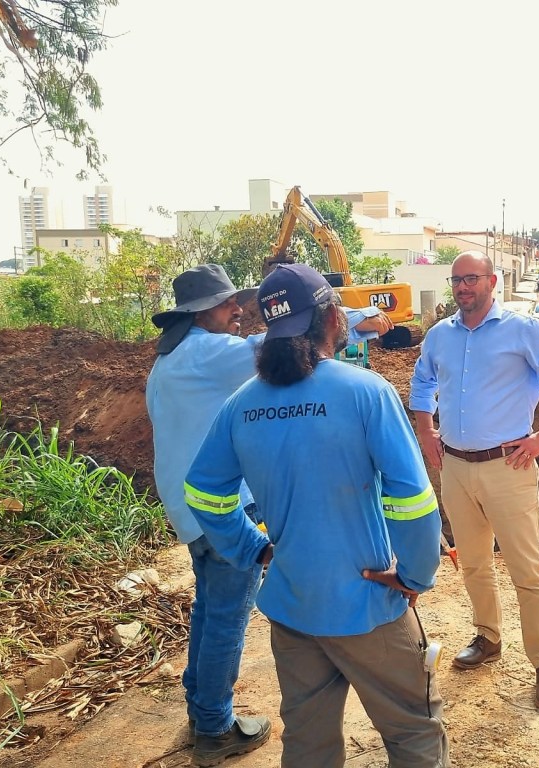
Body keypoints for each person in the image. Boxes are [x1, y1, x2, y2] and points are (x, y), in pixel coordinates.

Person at [183, 263, 449, 768]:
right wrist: (415, 575)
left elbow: (203, 493)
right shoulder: (366, 392)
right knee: (413, 731)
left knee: (308, 744)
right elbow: (412, 499)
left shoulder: (242, 404)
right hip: (368, 605)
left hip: (293, 609)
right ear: (330, 318)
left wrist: (252, 548)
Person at [408, 250, 539, 711]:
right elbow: (422, 382)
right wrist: (426, 431)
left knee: (527, 571)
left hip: (509, 468)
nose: (463, 287)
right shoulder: (439, 336)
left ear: (492, 281)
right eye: (456, 280)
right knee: (472, 563)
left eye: (472, 278)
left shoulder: (522, 330)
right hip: (455, 467)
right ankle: (488, 637)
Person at [145, 263, 272, 767]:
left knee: (208, 610)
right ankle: (216, 729)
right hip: (221, 509)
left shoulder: (168, 361)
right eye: (227, 304)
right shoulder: (208, 352)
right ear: (201, 313)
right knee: (227, 617)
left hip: (190, 510)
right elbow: (279, 344)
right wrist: (353, 314)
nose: (237, 310)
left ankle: (201, 710)